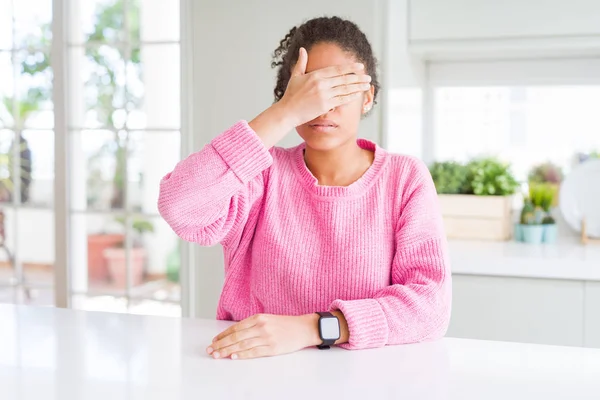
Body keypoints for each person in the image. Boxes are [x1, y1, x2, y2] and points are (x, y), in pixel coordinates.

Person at [158, 16, 451, 360]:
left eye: (339, 88)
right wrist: (283, 114)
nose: (323, 107)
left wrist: (313, 327)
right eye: (310, 91)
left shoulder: (404, 178)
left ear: (367, 96)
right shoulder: (261, 173)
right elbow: (179, 206)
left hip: (363, 379)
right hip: (251, 373)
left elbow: (430, 306)